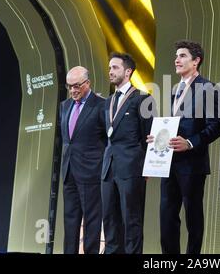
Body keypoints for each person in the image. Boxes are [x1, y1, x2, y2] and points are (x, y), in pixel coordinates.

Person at [148, 40, 220, 254]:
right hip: (169, 163)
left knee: (193, 218)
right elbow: (173, 125)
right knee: (167, 216)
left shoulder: (207, 88)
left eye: (182, 56)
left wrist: (190, 143)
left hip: (192, 163)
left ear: (196, 61)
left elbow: (216, 125)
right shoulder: (175, 89)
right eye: (176, 56)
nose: (176, 59)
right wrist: (158, 139)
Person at [102, 52, 154, 254]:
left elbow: (149, 137)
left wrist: (146, 167)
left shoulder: (143, 99)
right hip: (108, 168)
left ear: (128, 71)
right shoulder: (108, 102)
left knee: (131, 221)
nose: (110, 71)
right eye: (109, 68)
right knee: (110, 220)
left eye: (115, 67)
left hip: (132, 168)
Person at [59, 66, 106, 254]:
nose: (73, 90)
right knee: (70, 220)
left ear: (88, 83)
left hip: (91, 173)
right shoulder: (65, 106)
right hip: (69, 171)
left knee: (92, 222)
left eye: (77, 86)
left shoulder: (101, 105)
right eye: (69, 86)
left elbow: (109, 139)